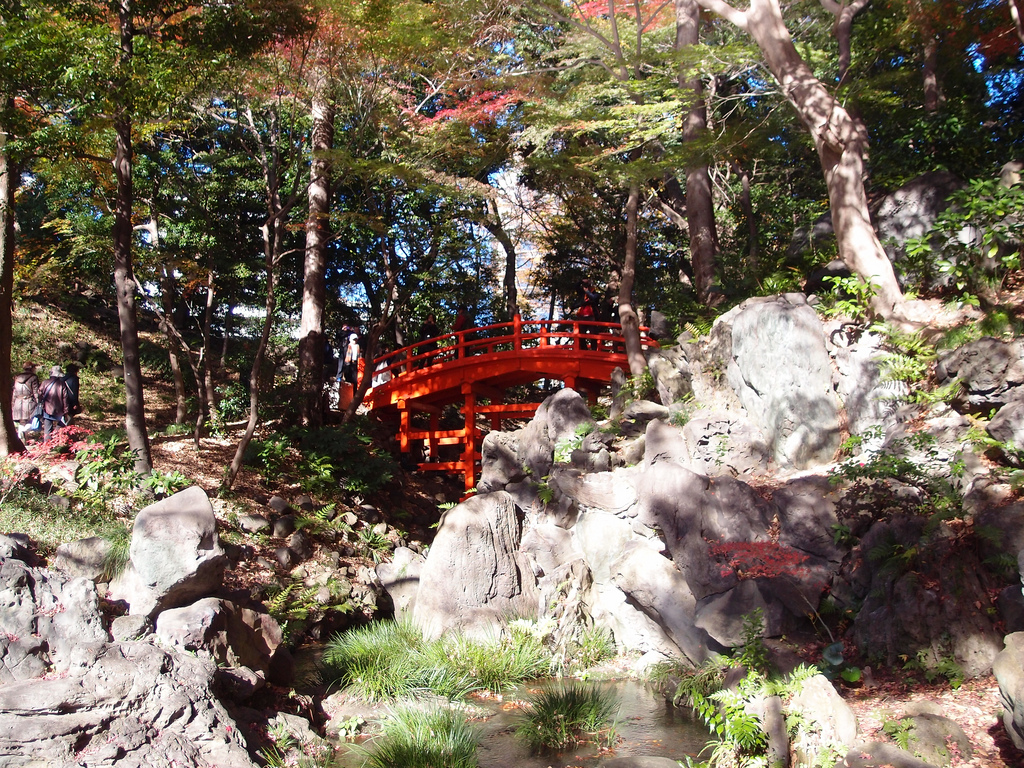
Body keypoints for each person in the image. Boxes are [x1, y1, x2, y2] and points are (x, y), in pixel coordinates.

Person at [39, 365, 71, 442]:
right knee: (62, 423)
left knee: (47, 427)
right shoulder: (62, 384)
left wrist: (42, 403)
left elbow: (39, 394)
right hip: (59, 408)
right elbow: (65, 398)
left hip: (47, 408)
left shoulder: (45, 382)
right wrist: (66, 410)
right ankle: (55, 435)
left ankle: (47, 445)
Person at [11, 362, 39, 439]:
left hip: (18, 402)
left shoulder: (17, 378)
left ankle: (21, 438)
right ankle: (24, 431)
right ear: (32, 368)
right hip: (29, 402)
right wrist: (38, 402)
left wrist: (13, 404)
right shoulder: (33, 377)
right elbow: (35, 392)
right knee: (31, 420)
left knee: (21, 421)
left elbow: (14, 392)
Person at [576, 279, 600, 350]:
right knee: (581, 335)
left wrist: (587, 291)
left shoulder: (596, 294)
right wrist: (581, 281)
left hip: (592, 316)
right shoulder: (582, 294)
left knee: (593, 334)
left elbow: (593, 298)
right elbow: (576, 286)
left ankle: (593, 350)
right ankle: (584, 349)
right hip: (582, 316)